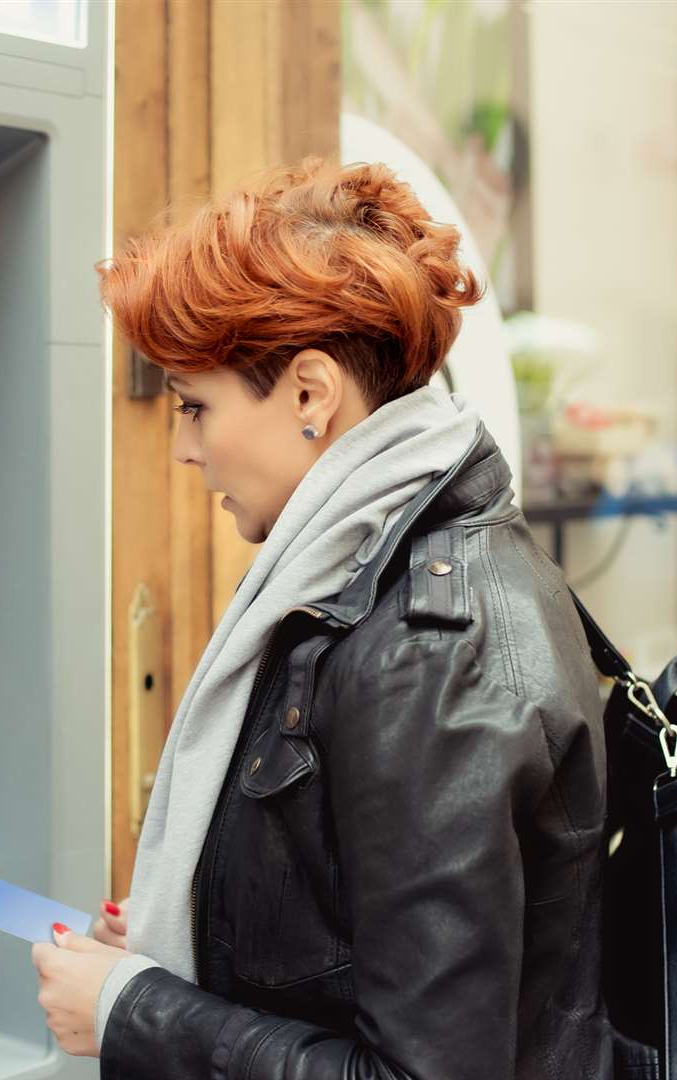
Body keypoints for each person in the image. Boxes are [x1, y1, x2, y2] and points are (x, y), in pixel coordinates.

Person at [30, 158, 612, 1079]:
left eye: (195, 406)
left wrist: (133, 1010)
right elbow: (343, 909)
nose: (184, 449)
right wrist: (190, 929)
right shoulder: (370, 571)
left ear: (309, 392)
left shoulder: (430, 657)